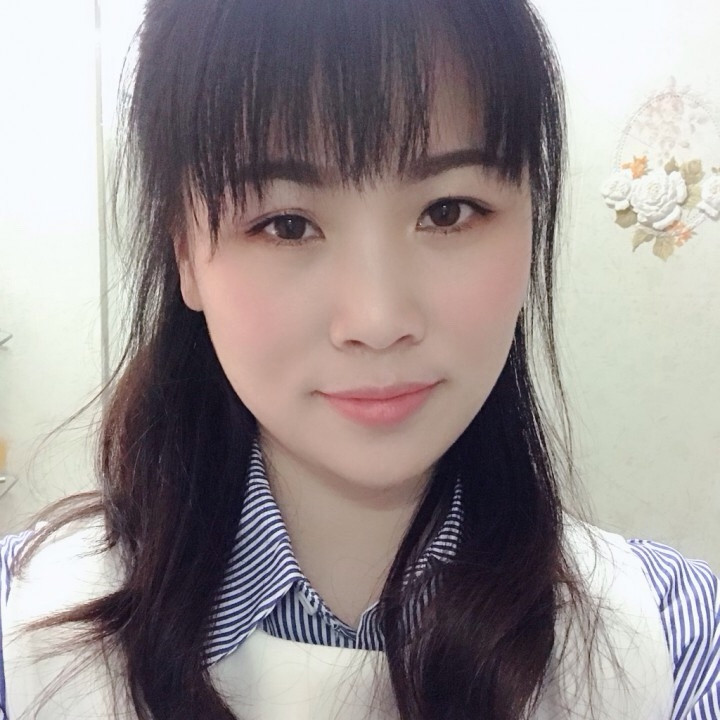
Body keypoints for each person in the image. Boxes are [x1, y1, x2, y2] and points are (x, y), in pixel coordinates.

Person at [1, 0, 718, 718]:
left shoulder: (673, 641)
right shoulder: (23, 635)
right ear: (185, 252)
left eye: (447, 211)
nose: (377, 321)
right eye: (287, 224)